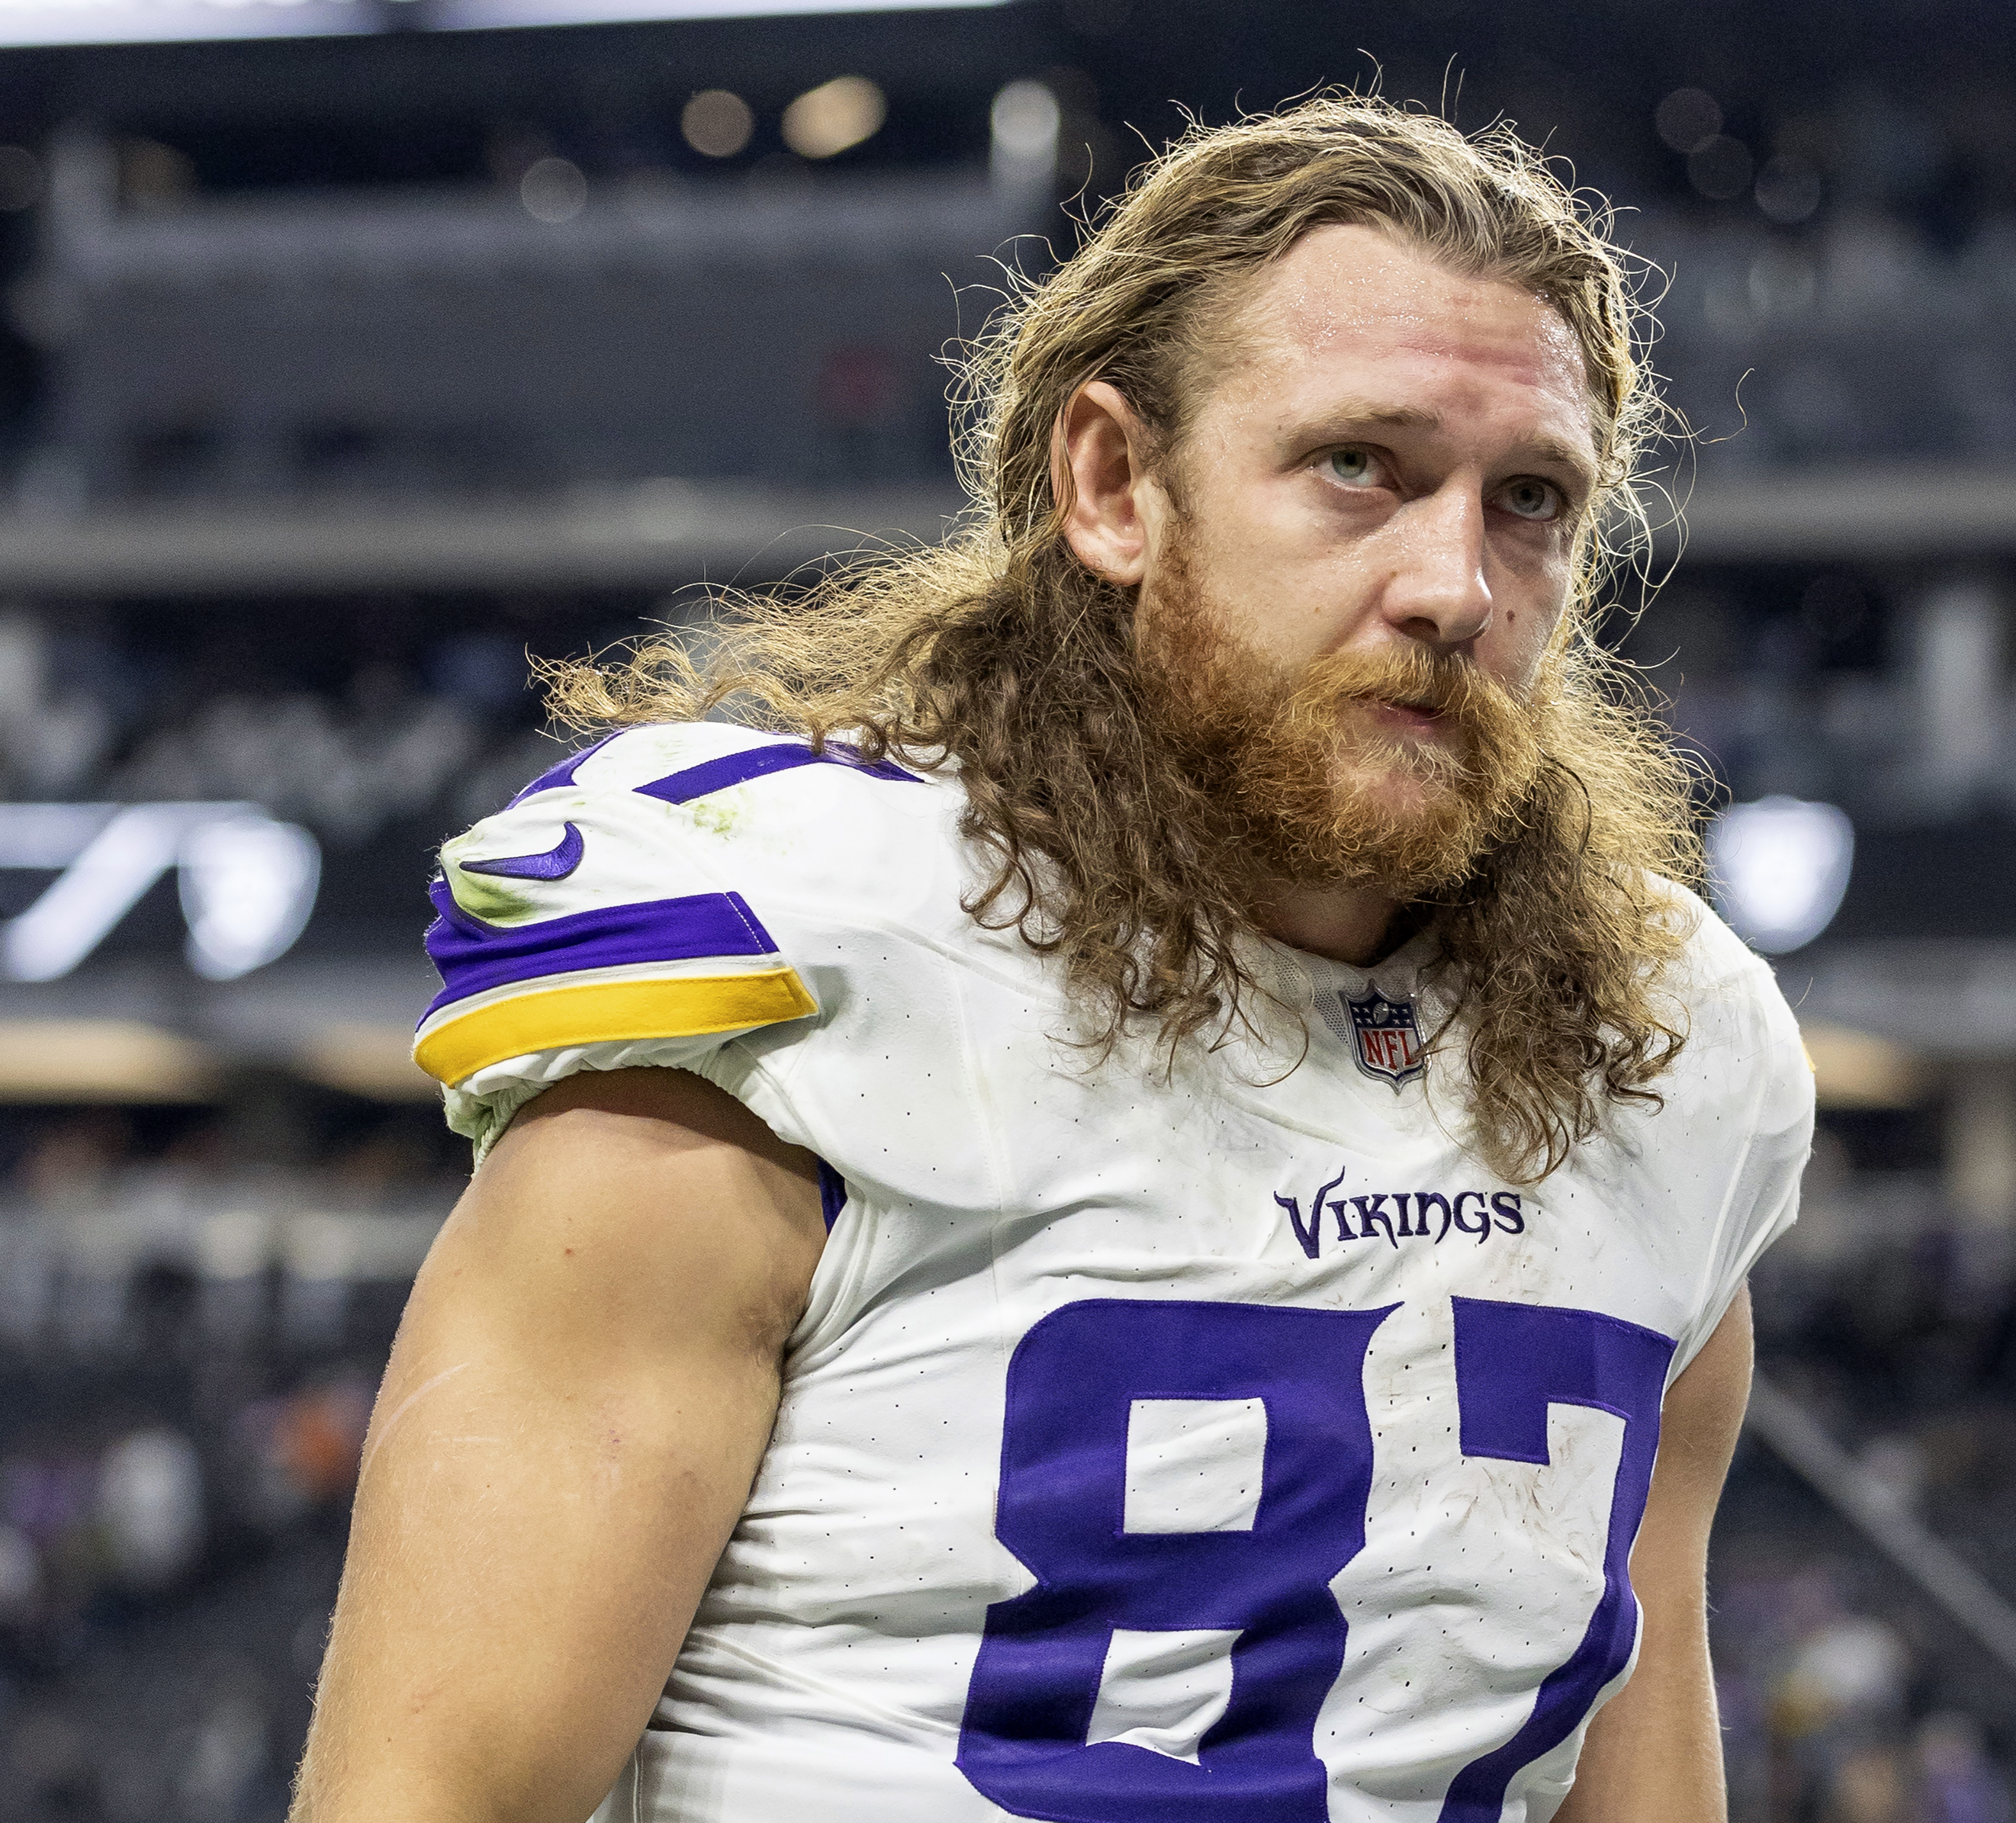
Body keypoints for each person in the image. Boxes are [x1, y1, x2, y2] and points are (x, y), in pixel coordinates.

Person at [292, 96, 1812, 1823]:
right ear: (1111, 485)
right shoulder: (806, 949)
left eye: (1529, 499)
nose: (1455, 582)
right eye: (1358, 467)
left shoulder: (1664, 1049)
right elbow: (429, 1793)